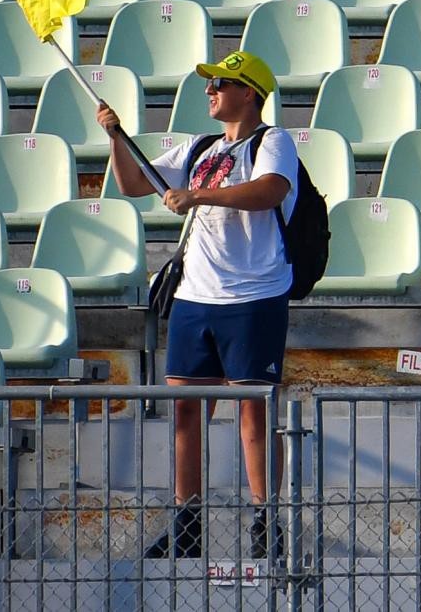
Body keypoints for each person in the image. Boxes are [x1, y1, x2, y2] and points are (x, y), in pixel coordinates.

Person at [98, 48, 295, 562]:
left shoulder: (273, 141)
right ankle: (187, 523)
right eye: (209, 85)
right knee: (186, 410)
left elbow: (271, 191)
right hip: (195, 296)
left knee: (254, 412)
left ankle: (265, 522)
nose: (209, 92)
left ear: (248, 92)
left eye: (220, 85)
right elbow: (133, 182)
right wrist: (117, 139)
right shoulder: (200, 147)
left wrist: (199, 198)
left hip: (254, 294)